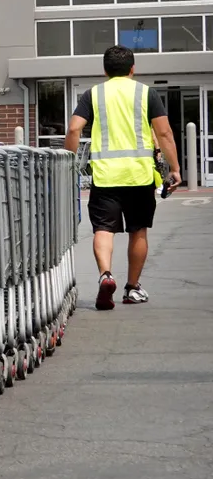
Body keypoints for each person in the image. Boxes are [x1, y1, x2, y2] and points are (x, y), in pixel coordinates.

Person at [64, 46, 180, 310]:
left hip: (105, 177)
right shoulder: (145, 93)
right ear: (132, 68)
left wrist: (68, 162)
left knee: (103, 229)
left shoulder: (92, 94)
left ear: (105, 70)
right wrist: (174, 168)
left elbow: (73, 128)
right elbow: (164, 133)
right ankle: (132, 288)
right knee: (138, 230)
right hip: (139, 176)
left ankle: (106, 275)